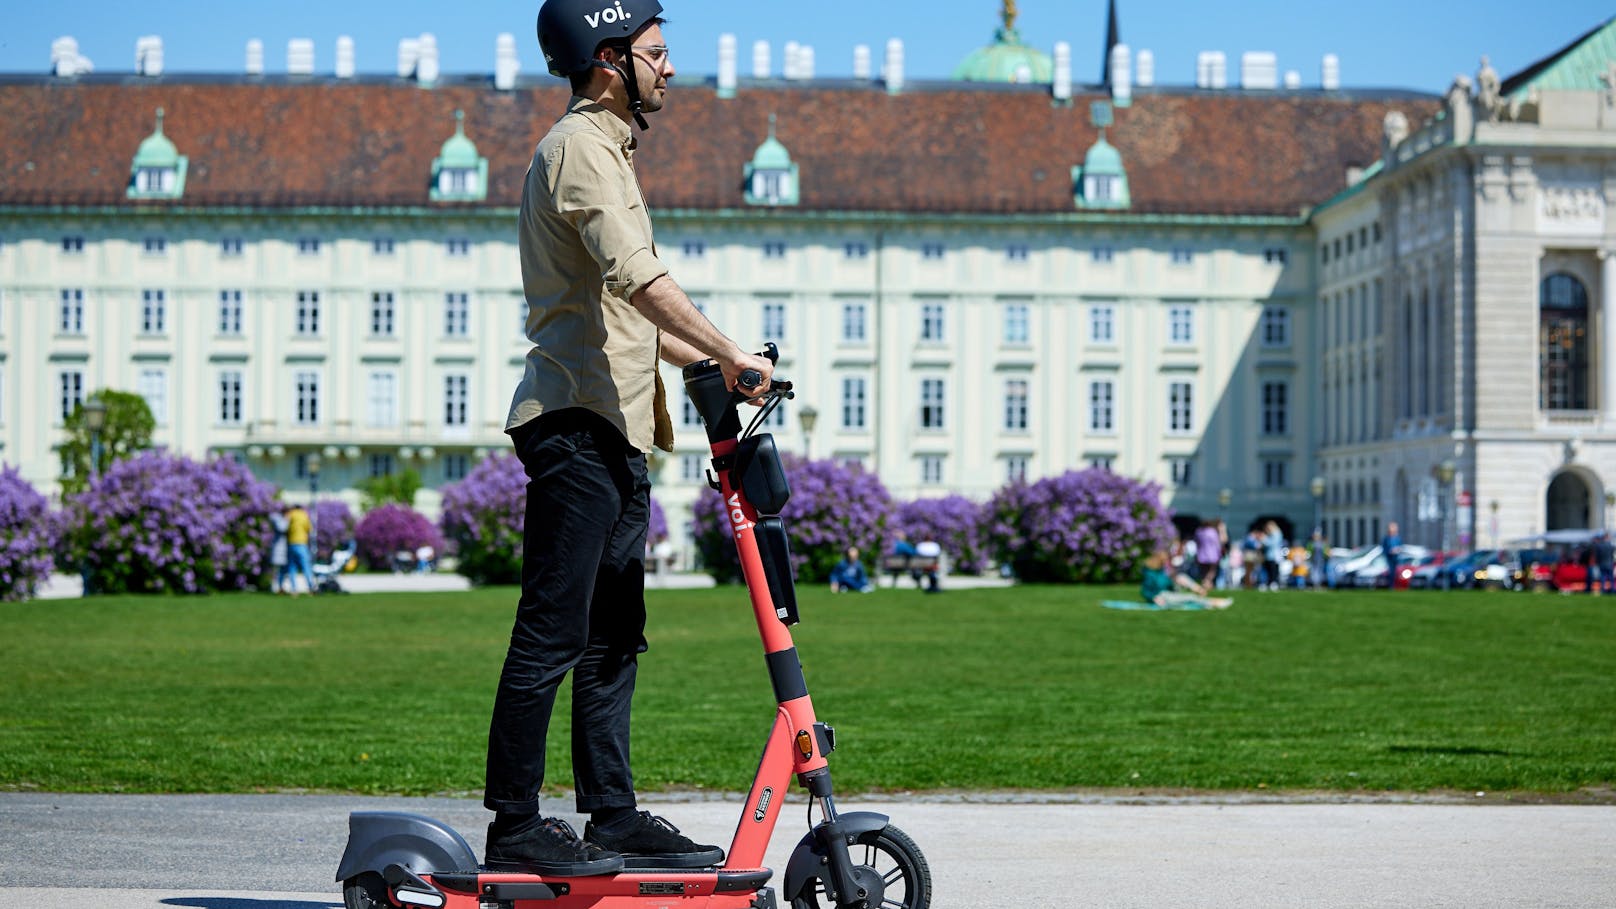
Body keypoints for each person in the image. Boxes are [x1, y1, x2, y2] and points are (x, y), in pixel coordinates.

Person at [483, 0, 775, 879]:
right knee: (553, 630)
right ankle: (513, 824)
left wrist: (723, 367)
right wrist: (728, 349)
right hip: (573, 424)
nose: (670, 67)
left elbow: (638, 318)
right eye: (657, 52)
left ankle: (609, 815)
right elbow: (641, 278)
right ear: (610, 59)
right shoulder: (578, 150)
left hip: (617, 431)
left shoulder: (611, 151)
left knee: (614, 636)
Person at [1140, 550, 1232, 609]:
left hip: (1168, 592)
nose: (1166, 563)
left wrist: (1173, 580)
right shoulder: (1150, 574)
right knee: (1190, 597)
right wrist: (1153, 598)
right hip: (1161, 596)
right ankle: (1214, 603)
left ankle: (1201, 591)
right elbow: (1146, 590)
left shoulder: (1160, 571)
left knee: (1181, 577)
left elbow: (1167, 583)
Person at [284, 503, 316, 595]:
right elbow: (309, 529)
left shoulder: (290, 514)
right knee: (306, 567)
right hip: (302, 544)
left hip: (291, 543)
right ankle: (311, 588)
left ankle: (294, 590)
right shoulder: (304, 515)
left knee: (292, 567)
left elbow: (285, 527)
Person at [1193, 518, 1223, 588]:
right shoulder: (1212, 531)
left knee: (1203, 570)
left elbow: (1196, 542)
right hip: (1212, 554)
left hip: (1201, 554)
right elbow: (1217, 543)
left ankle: (1205, 582)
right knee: (1212, 570)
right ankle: (1207, 582)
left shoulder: (1198, 532)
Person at [269, 506, 291, 594]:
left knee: (283, 571)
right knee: (275, 570)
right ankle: (274, 587)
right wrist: (287, 520)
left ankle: (280, 587)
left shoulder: (282, 519)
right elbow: (282, 528)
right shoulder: (278, 519)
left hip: (283, 549)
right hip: (278, 549)